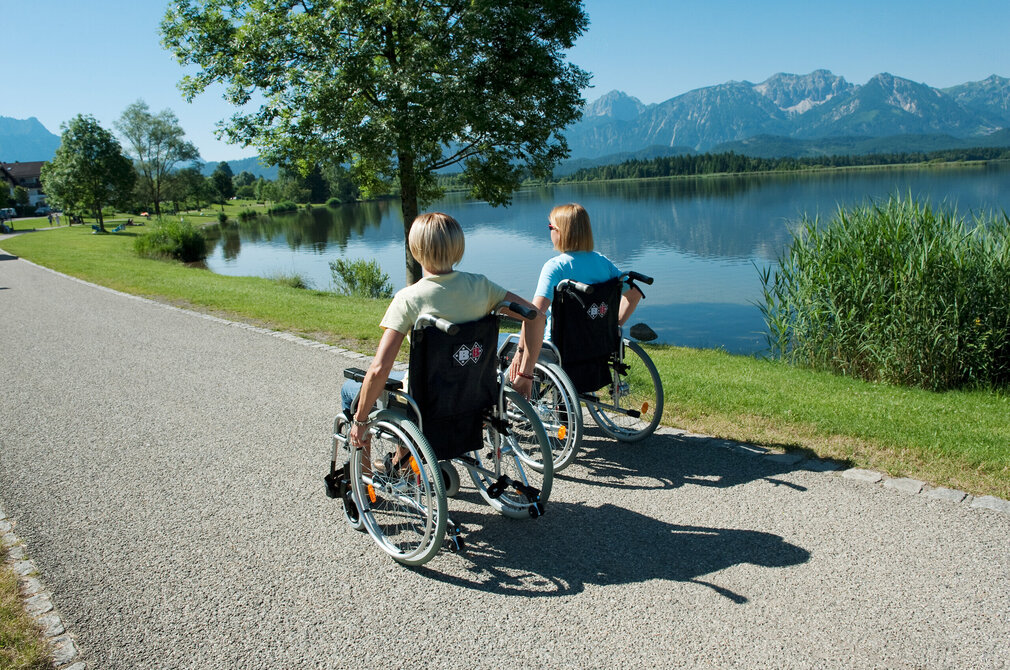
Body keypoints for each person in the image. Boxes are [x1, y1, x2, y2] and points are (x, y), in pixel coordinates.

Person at [345, 212, 543, 464]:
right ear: (458, 247)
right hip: (475, 398)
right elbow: (536, 317)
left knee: (351, 392)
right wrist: (525, 373)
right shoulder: (482, 287)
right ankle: (402, 464)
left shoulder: (408, 298)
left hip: (425, 404)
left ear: (415, 249)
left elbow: (380, 368)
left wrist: (360, 421)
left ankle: (364, 479)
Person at [507, 203, 643, 385]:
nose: (549, 232)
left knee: (504, 347)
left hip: (558, 347)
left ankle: (518, 401)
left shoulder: (555, 267)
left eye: (550, 227)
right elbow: (633, 295)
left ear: (560, 232)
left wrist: (520, 352)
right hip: (596, 344)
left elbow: (534, 313)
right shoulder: (603, 262)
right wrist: (611, 324)